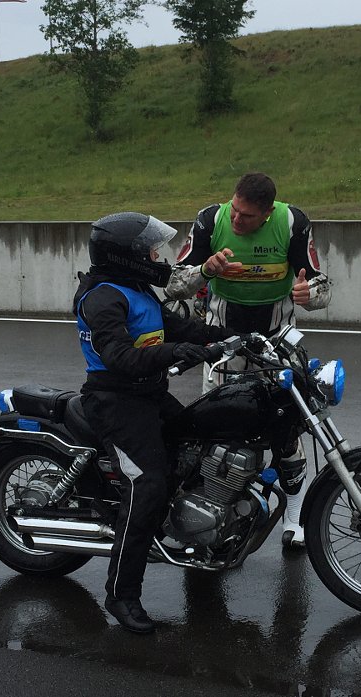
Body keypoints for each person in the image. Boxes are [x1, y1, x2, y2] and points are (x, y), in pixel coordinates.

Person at [74, 212, 229, 634]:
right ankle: (122, 595)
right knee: (148, 487)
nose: (157, 256)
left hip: (148, 395)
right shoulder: (103, 298)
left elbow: (176, 325)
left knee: (199, 441)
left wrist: (228, 335)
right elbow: (121, 358)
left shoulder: (136, 288)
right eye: (150, 251)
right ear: (127, 257)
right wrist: (178, 352)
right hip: (116, 403)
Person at [164, 172, 331, 547]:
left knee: (289, 433)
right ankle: (210, 516)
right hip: (224, 342)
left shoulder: (292, 223)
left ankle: (294, 516)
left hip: (276, 343)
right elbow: (173, 283)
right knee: (214, 432)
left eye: (248, 217)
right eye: (235, 211)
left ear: (268, 213)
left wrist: (309, 295)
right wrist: (206, 270)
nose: (238, 221)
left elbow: (323, 288)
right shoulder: (210, 219)